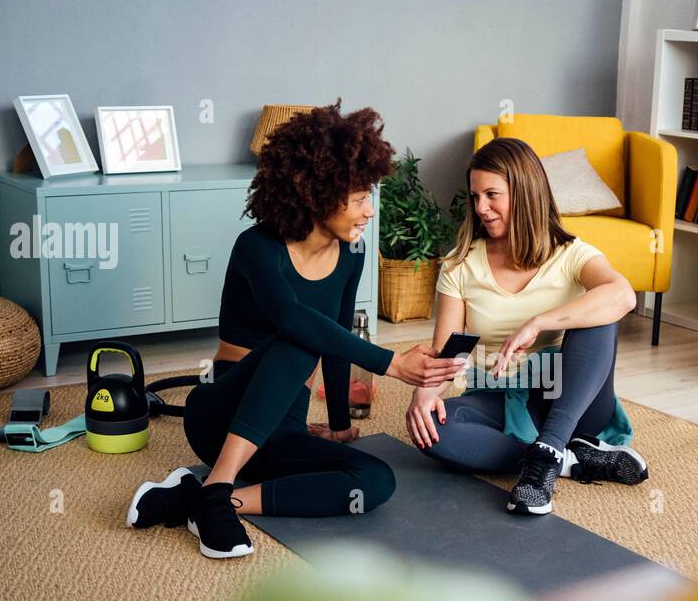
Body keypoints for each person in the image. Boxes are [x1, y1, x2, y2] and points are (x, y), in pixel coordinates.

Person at [128, 102, 462, 558]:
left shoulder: (353, 254)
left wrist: (341, 425)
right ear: (318, 191)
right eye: (360, 197)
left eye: (370, 195)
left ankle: (204, 498)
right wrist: (393, 363)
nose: (370, 210)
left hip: (282, 424)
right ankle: (219, 481)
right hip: (218, 415)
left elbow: (339, 336)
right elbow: (294, 320)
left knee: (375, 481)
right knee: (301, 333)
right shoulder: (257, 247)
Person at [406, 137, 649, 516]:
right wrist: (425, 393)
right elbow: (450, 353)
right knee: (434, 431)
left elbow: (623, 295)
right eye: (475, 196)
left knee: (600, 313)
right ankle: (561, 459)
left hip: (573, 398)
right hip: (502, 394)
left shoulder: (570, 254)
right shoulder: (460, 265)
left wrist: (540, 322)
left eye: (492, 194)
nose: (481, 208)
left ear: (524, 191)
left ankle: (551, 445)